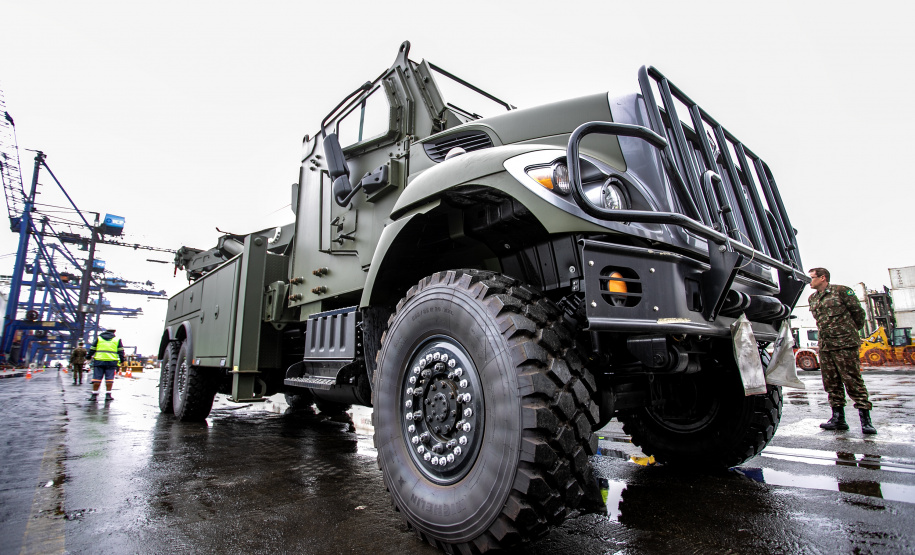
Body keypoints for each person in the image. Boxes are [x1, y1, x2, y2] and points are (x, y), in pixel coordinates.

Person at [807, 267, 876, 434]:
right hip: (826, 345)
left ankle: (866, 421)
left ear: (823, 278)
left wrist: (848, 332)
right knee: (831, 382)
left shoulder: (841, 291)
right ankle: (838, 419)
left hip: (844, 344)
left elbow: (858, 314)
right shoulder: (813, 298)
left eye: (812, 278)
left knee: (852, 380)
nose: (810, 281)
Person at [87, 329, 126, 402]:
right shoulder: (117, 340)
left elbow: (92, 349)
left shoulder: (99, 338)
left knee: (97, 379)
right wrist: (122, 360)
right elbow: (121, 351)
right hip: (111, 361)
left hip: (99, 361)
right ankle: (108, 395)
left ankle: (94, 395)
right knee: (109, 379)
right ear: (114, 332)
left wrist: (88, 356)